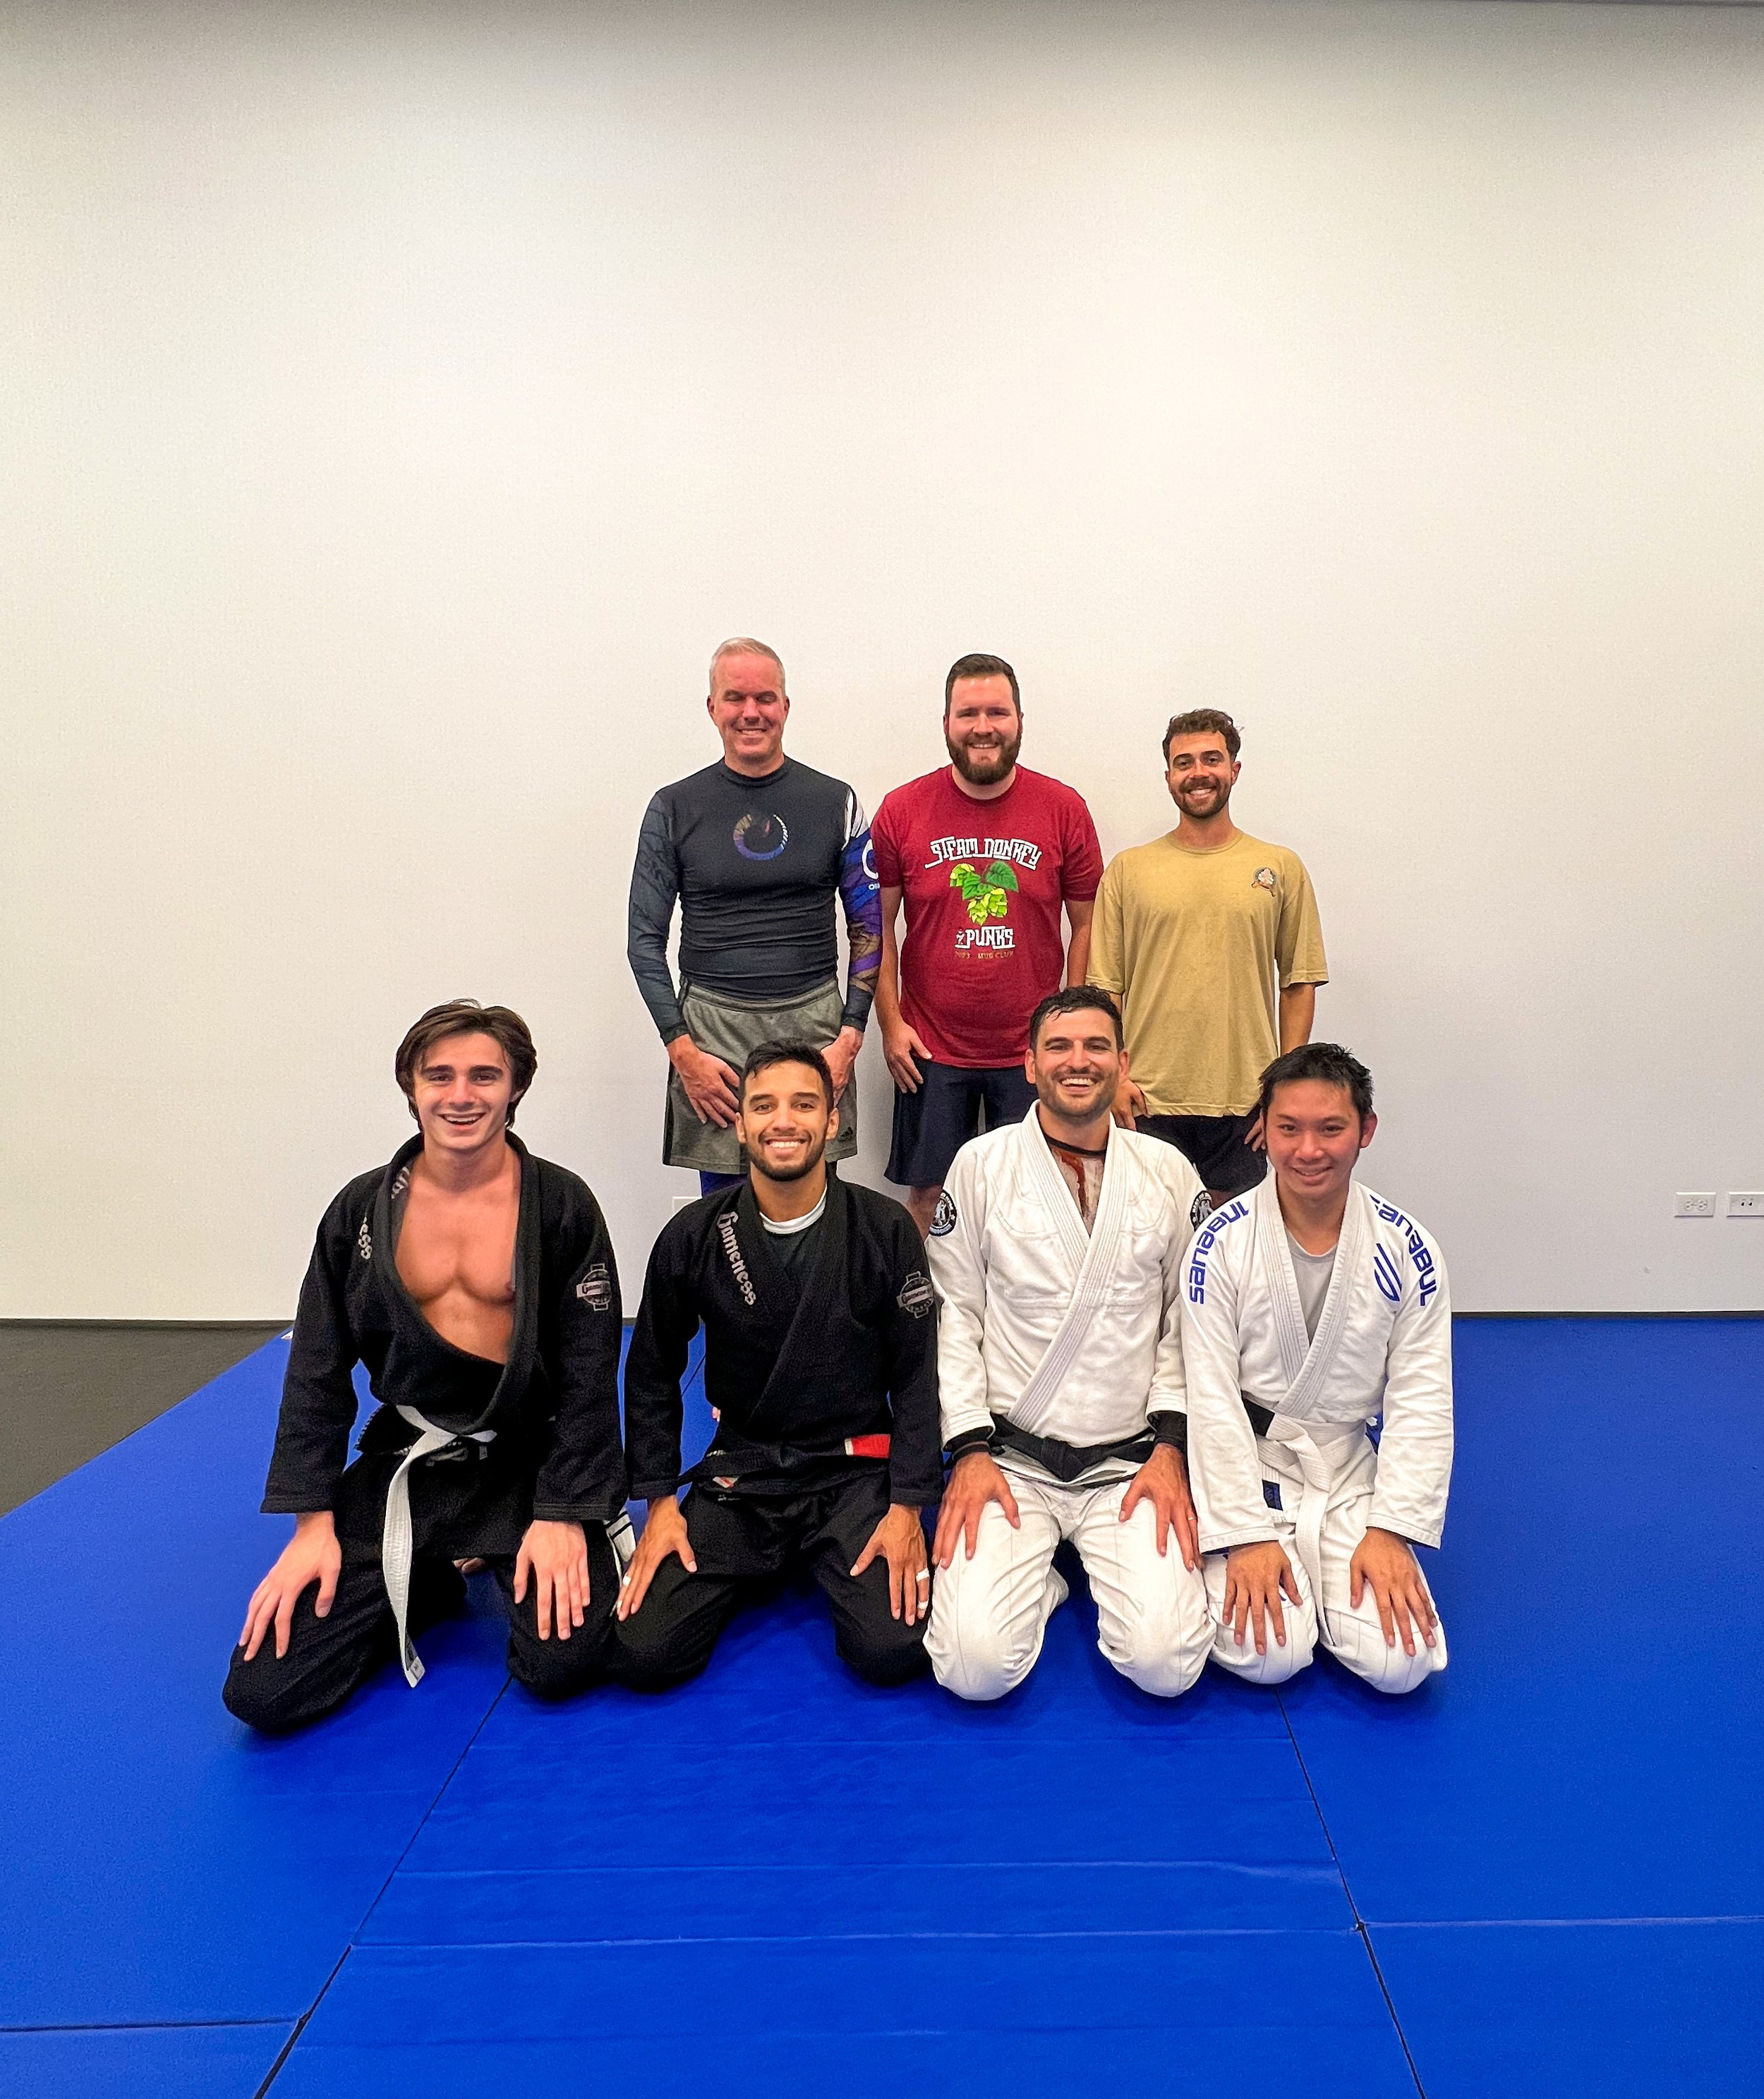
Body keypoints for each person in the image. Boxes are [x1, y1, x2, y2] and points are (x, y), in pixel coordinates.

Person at [223, 1000, 629, 1731]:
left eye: (483, 1074)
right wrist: (312, 1523)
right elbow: (316, 1369)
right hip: (410, 1459)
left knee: (562, 1660)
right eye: (438, 1075)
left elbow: (590, 1375)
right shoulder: (360, 1210)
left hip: (526, 1461)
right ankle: (432, 1580)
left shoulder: (561, 1204)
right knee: (265, 1693)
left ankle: (463, 1558)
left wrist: (566, 1512)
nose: (461, 1094)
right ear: (411, 1085)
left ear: (515, 1087)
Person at [613, 1039, 940, 1688]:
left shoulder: (884, 1229)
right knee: (642, 1651)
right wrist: (659, 1503)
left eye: (803, 1104)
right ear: (740, 1123)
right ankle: (769, 1557)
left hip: (851, 1471)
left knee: (891, 1649)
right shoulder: (694, 1234)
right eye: (763, 1106)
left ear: (833, 1120)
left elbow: (916, 1375)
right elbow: (650, 1370)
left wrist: (907, 1508)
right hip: (745, 1475)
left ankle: (809, 1556)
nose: (783, 1121)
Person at [924, 986, 1212, 1702]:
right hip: (1010, 1461)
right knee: (972, 1668)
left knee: (1168, 1665)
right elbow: (954, 1311)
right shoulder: (981, 1165)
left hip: (1130, 1461)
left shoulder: (1168, 1172)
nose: (1076, 1061)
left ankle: (1070, 1564)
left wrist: (1173, 1447)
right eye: (1058, 1046)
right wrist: (965, 1450)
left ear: (1122, 1062)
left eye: (1094, 1047)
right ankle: (1047, 1579)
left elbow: (1187, 1320)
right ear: (1028, 1063)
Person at [1181, 1043, 1451, 1695]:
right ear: (1263, 1132)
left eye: (1331, 1128)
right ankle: (1288, 1587)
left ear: (1366, 1130)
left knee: (1402, 1665)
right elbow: (1210, 1396)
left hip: (1346, 1471)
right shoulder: (1221, 1243)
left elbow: (1423, 1399)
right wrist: (1243, 1534)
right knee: (1269, 1655)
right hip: (1252, 1460)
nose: (1309, 1150)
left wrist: (1390, 1529)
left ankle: (1324, 1588)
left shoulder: (1409, 1249)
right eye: (1289, 1128)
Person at [627, 638, 882, 1195]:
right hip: (711, 1034)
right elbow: (643, 940)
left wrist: (848, 1040)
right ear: (712, 707)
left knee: (813, 1206)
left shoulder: (836, 801)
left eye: (765, 697)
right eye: (735, 697)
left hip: (814, 1025)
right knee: (723, 1216)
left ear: (786, 706)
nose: (751, 712)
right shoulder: (673, 807)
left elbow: (868, 926)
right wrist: (682, 1050)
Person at [871, 652, 1103, 1242]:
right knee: (928, 1195)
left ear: (1020, 719)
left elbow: (1089, 924)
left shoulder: (1064, 809)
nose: (983, 726)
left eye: (996, 712)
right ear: (946, 722)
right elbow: (876, 927)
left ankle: (1025, 1326)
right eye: (968, 712)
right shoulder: (901, 811)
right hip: (930, 1048)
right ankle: (921, 1323)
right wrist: (891, 1024)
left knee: (1040, 1193)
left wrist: (1069, 1028)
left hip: (1031, 1049)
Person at [1088, 708, 1327, 1205]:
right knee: (1148, 1249)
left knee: (1233, 1251)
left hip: (1244, 1100)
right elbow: (1104, 990)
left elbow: (1298, 984)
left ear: (1234, 769)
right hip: (1146, 1099)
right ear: (1169, 776)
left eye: (1212, 759)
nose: (1198, 772)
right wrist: (1115, 1079)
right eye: (1185, 762)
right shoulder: (1128, 871)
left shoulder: (1279, 868)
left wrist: (1281, 1091)